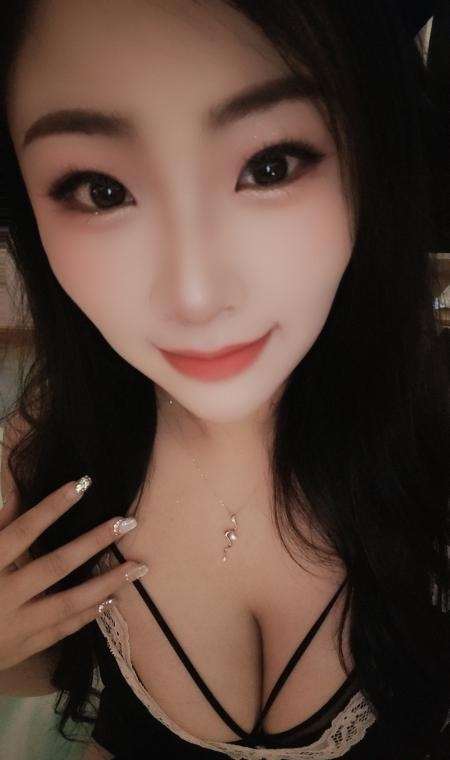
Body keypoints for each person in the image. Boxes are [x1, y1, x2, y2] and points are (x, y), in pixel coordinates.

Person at [0, 1, 448, 758]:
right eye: (100, 189)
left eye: (271, 166)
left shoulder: (433, 431)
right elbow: (54, 668)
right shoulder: (46, 452)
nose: (196, 297)